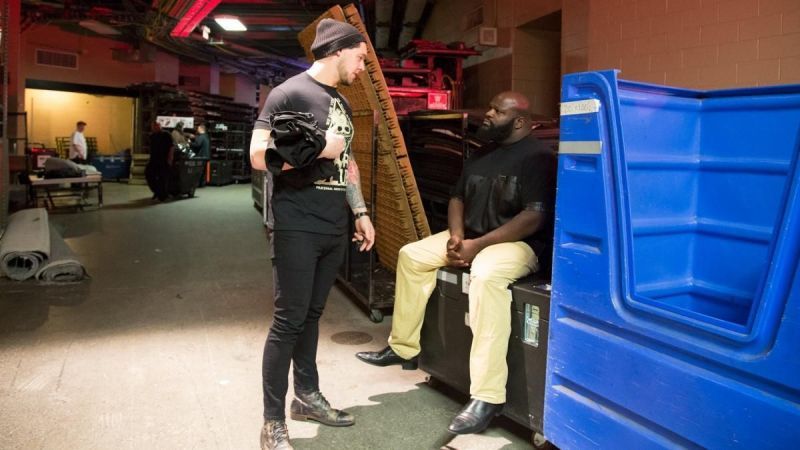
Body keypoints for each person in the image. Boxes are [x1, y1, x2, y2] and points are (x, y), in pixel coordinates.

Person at [356, 91, 557, 436]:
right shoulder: (483, 153)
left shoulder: (539, 157)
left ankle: (487, 396)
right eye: (490, 107)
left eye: (497, 111)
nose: (488, 114)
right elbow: (457, 197)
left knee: (486, 273)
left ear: (520, 122)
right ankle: (403, 347)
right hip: (472, 237)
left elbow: (533, 218)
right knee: (412, 255)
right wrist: (456, 237)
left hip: (518, 244)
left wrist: (476, 246)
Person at [249, 18, 374, 450]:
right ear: (338, 50)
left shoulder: (341, 101)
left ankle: (306, 396)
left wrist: (359, 211)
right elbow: (256, 155)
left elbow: (348, 161)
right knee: (288, 320)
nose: (362, 68)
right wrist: (321, 148)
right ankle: (271, 421)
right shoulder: (289, 93)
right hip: (296, 221)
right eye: (360, 58)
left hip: (332, 222)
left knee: (313, 316)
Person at [145, 121, 174, 201]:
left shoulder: (166, 135)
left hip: (163, 160)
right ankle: (157, 192)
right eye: (152, 127)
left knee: (163, 178)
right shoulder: (152, 136)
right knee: (149, 175)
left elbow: (171, 147)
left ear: (159, 126)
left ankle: (163, 195)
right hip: (154, 160)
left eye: (155, 126)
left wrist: (170, 159)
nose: (153, 128)